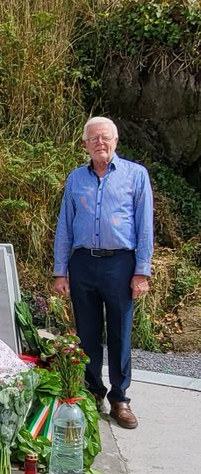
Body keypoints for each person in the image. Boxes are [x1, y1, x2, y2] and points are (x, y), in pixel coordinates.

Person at [53, 116, 153, 428]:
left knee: (121, 332)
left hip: (120, 263)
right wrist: (60, 271)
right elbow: (64, 227)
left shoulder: (135, 176)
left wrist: (142, 271)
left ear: (116, 141)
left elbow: (144, 227)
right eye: (94, 138)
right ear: (85, 144)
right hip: (83, 262)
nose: (100, 143)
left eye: (106, 137)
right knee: (87, 333)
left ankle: (120, 399)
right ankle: (92, 391)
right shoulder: (75, 178)